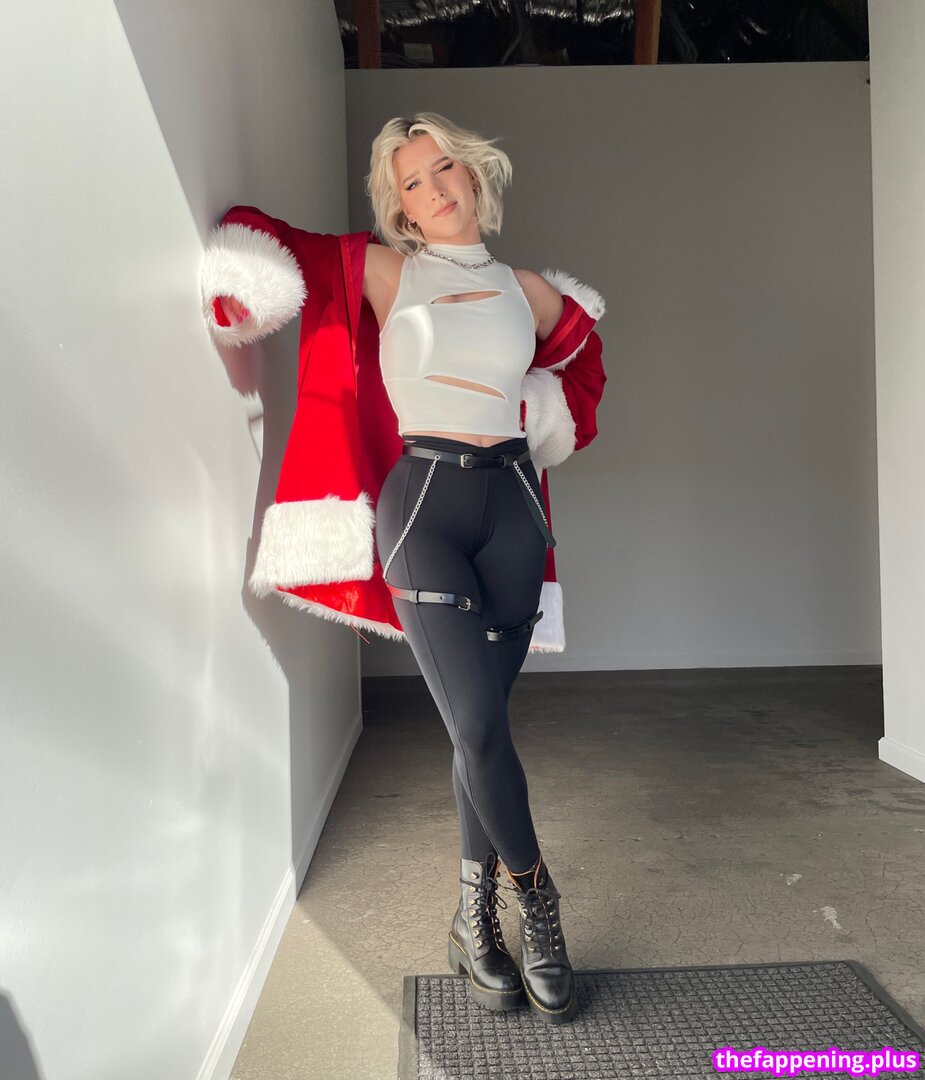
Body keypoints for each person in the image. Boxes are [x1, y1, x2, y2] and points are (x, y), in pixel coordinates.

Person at [201, 112, 607, 1025]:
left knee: (478, 729)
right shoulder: (387, 271)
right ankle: (539, 905)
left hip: (514, 509)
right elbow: (266, 241)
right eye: (412, 183)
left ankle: (472, 921)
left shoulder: (529, 291)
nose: (434, 189)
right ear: (402, 211)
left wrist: (549, 413)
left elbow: (585, 371)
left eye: (444, 168)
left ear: (475, 176)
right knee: (477, 723)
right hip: (424, 505)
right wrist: (237, 287)